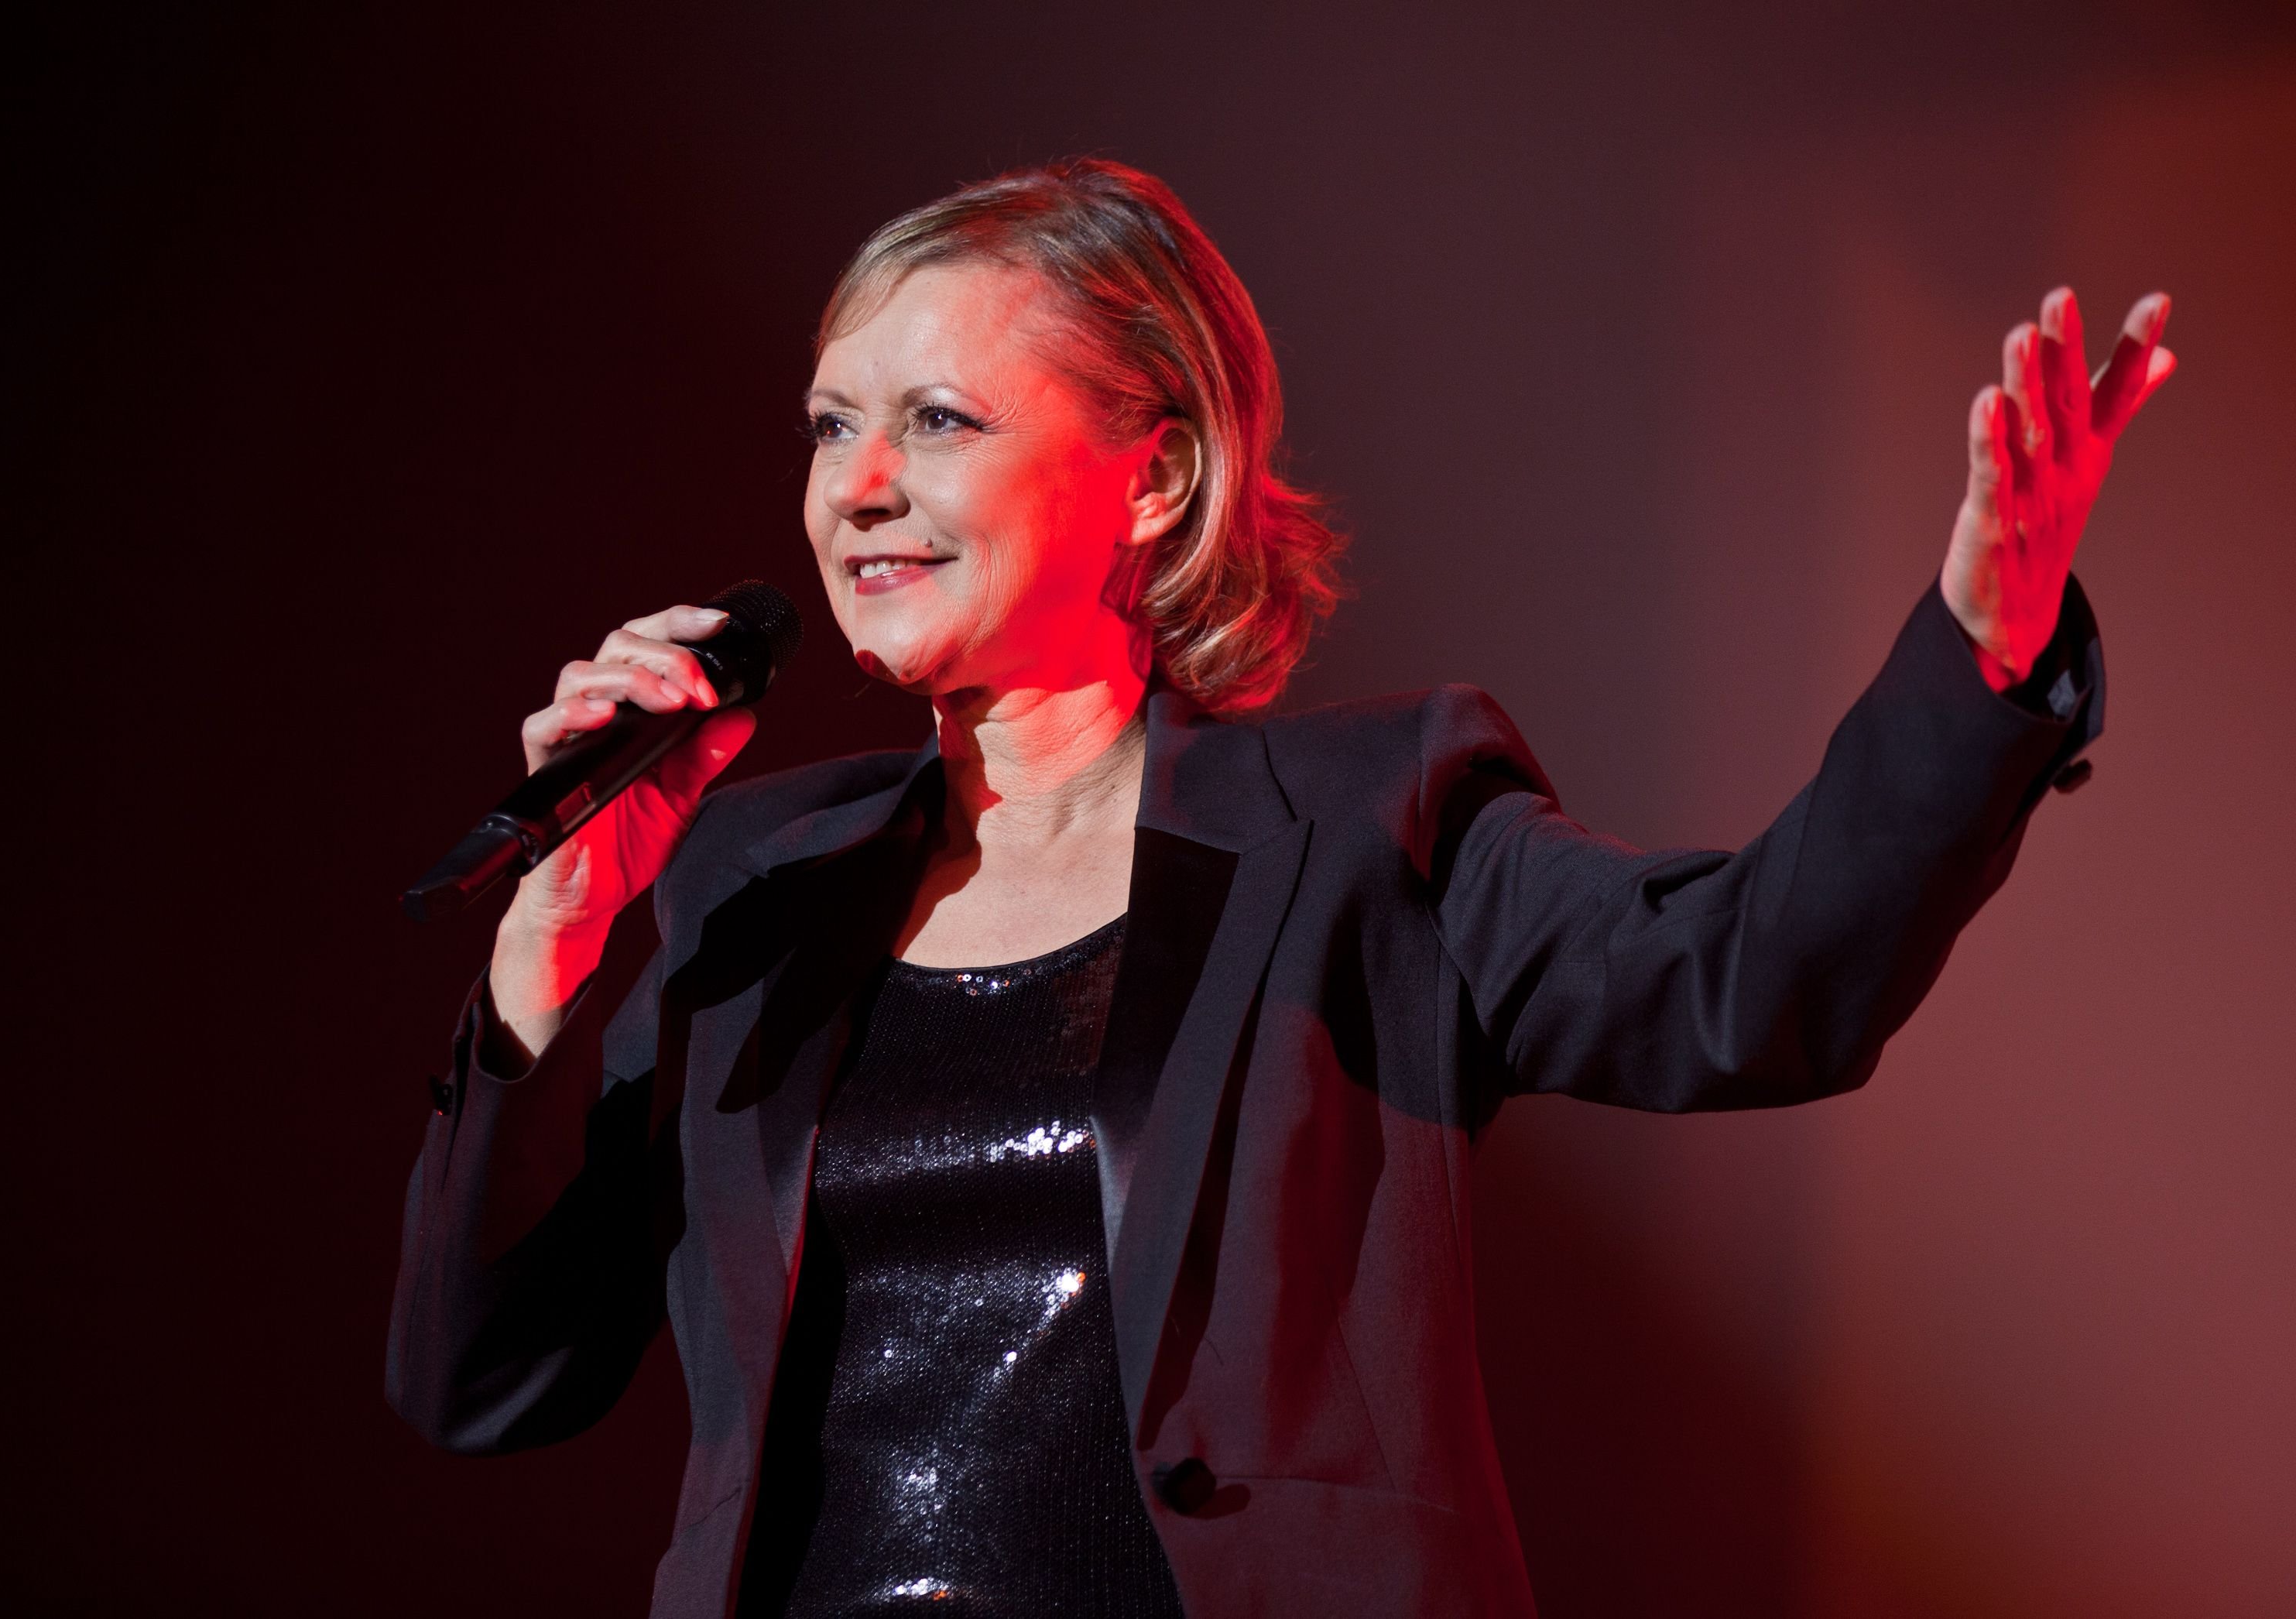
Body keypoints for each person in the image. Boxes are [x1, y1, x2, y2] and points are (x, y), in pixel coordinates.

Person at [386, 159, 2174, 1617]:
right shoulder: (751, 881)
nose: (857, 486)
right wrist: (549, 950)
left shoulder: (1365, 823)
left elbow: (1749, 982)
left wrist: (1980, 659)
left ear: (1154, 474)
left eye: (933, 420)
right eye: (829, 421)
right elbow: (487, 1382)